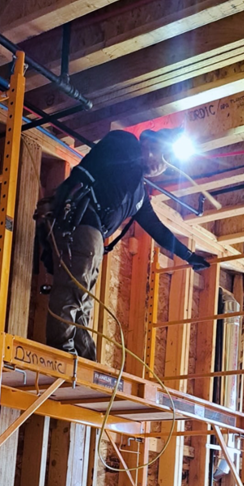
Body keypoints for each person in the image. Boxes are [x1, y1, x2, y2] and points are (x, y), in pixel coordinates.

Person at [35, 128, 210, 360]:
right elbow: (88, 167)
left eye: (166, 164)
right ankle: (62, 353)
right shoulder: (125, 144)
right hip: (81, 223)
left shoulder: (138, 196)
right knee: (73, 292)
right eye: (162, 155)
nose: (161, 165)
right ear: (148, 143)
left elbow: (158, 230)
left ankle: (84, 358)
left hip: (92, 238)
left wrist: (188, 256)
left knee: (83, 299)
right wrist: (61, 200)